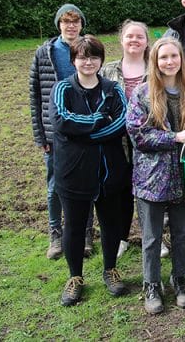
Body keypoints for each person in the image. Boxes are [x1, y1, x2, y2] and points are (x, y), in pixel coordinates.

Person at [126, 37, 185, 315]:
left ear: (181, 60)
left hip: (184, 175)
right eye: (163, 57)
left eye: (173, 57)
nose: (169, 62)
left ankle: (179, 278)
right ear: (155, 61)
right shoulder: (142, 94)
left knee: (181, 234)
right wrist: (175, 137)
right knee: (152, 237)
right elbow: (138, 134)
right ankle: (151, 284)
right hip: (151, 178)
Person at [48, 35, 129, 306]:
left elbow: (121, 122)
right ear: (74, 60)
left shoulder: (113, 89)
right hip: (73, 172)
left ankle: (110, 269)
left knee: (110, 222)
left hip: (109, 171)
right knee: (74, 224)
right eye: (83, 57)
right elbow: (62, 121)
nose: (88, 62)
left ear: (101, 60)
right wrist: (96, 120)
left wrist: (84, 135)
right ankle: (75, 277)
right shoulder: (62, 89)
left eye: (94, 57)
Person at [30, 3, 94, 259]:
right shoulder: (44, 53)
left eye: (75, 21)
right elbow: (35, 95)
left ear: (81, 25)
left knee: (86, 183)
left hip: (85, 130)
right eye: (66, 22)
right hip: (54, 133)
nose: (71, 26)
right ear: (59, 24)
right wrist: (40, 135)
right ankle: (55, 233)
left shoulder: (87, 49)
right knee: (55, 184)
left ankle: (86, 233)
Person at [100, 20, 150, 259]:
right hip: (116, 142)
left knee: (149, 192)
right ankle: (121, 237)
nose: (134, 40)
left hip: (149, 141)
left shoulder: (156, 68)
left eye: (139, 36)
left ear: (146, 42)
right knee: (120, 192)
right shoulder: (108, 71)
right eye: (130, 36)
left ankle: (152, 237)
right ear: (121, 40)